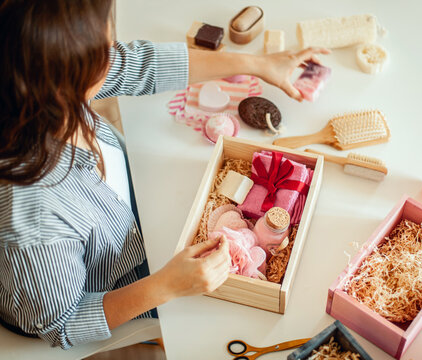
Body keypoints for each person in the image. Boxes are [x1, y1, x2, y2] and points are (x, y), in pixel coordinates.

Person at [0, 0, 329, 349]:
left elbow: (140, 64)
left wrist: (260, 65)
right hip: (109, 283)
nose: (115, 55)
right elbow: (62, 324)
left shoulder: (37, 85)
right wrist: (166, 285)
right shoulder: (33, 220)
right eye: (106, 49)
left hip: (128, 221)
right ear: (75, 72)